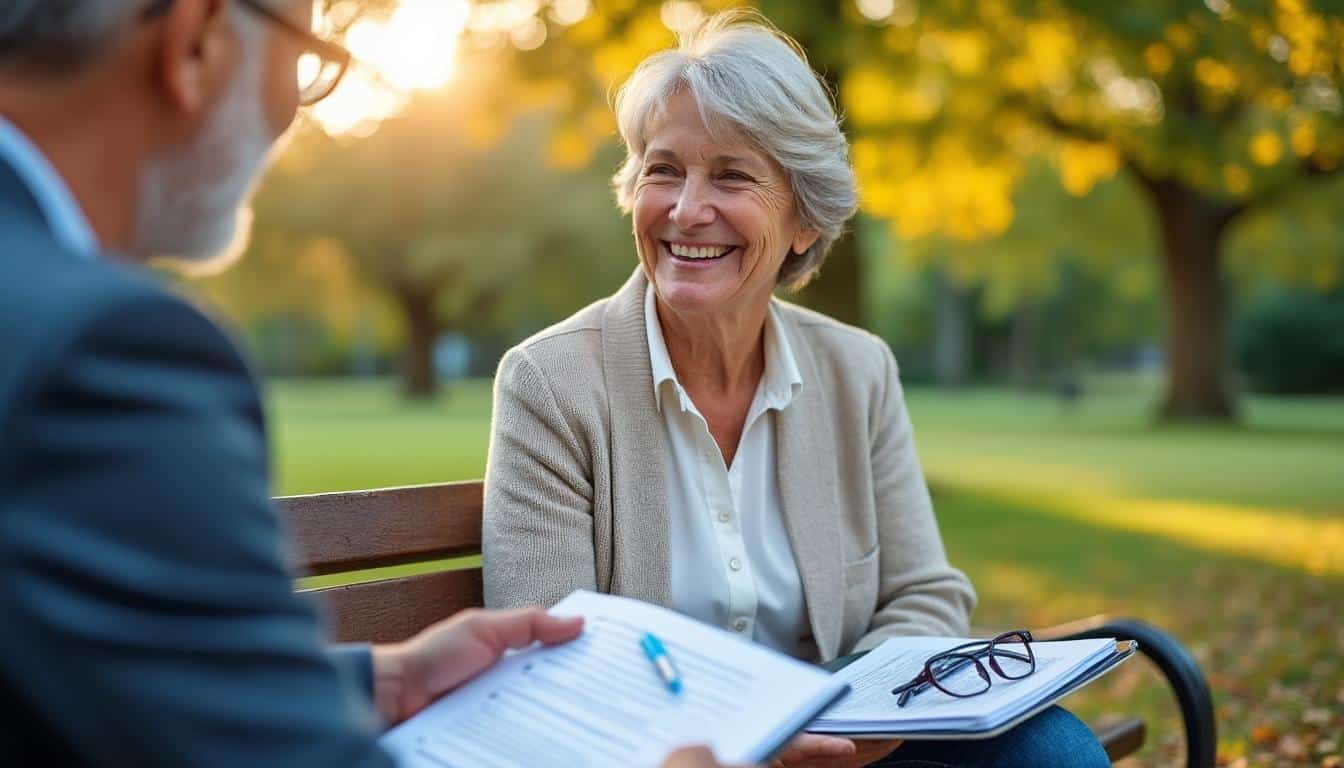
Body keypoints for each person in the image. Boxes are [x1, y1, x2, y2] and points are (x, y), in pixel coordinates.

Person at [0, 1, 720, 766]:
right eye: (305, 62)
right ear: (196, 44)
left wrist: (374, 682)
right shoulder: (102, 349)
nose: (291, 116)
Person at [481, 11, 1112, 768]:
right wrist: (753, 737)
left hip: (836, 718)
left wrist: (863, 713)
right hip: (657, 746)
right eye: (664, 169)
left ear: (804, 221)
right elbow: (549, 651)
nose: (686, 209)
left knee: (1056, 753)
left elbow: (925, 594)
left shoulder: (858, 369)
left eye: (732, 175)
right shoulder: (551, 383)